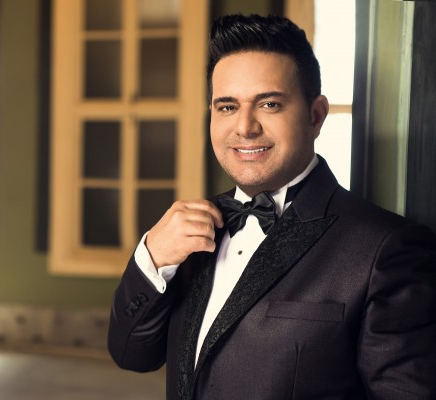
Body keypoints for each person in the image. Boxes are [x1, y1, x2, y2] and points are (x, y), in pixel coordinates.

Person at [107, 13, 436, 400]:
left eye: (269, 104)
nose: (245, 127)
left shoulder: (387, 249)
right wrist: (152, 257)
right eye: (227, 107)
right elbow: (132, 355)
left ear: (315, 116)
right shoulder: (188, 231)